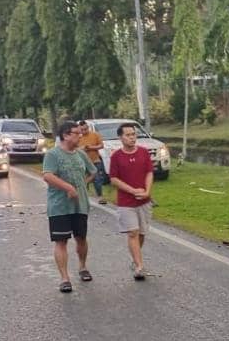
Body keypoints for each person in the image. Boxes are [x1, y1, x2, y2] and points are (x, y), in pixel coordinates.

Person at [41, 120, 96, 293]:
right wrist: (68, 187)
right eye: (77, 133)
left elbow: (93, 171)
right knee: (61, 241)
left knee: (81, 238)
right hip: (59, 206)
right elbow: (48, 176)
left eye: (81, 133)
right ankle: (64, 278)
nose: (80, 136)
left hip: (80, 205)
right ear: (65, 135)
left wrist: (82, 185)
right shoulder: (53, 155)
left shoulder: (81, 154)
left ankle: (82, 266)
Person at [108, 122, 153, 281]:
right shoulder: (116, 156)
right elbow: (114, 179)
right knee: (133, 232)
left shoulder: (144, 152)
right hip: (126, 202)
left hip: (144, 201)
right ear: (120, 137)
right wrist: (133, 191)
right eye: (128, 135)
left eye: (133, 134)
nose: (132, 138)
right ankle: (140, 266)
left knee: (141, 233)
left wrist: (147, 191)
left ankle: (135, 259)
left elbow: (149, 172)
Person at [77, 119, 108, 204]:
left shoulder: (95, 135)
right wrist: (82, 148)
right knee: (83, 180)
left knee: (97, 179)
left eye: (85, 129)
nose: (84, 131)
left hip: (95, 161)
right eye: (82, 130)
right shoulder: (78, 137)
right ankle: (83, 197)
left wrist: (91, 147)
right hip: (82, 163)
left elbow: (101, 145)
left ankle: (100, 197)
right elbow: (74, 148)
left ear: (88, 127)